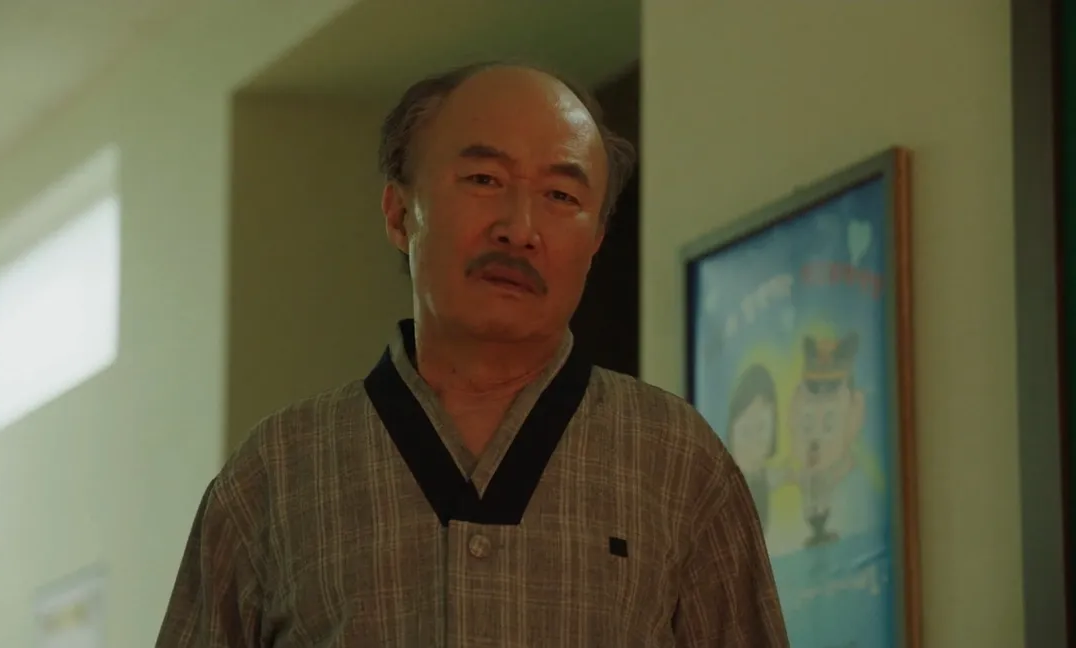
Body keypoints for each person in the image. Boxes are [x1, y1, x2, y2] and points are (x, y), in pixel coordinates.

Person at [155, 61, 789, 647]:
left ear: (596, 240)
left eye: (561, 196)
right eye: (485, 180)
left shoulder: (676, 460)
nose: (520, 229)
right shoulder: (277, 472)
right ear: (399, 214)